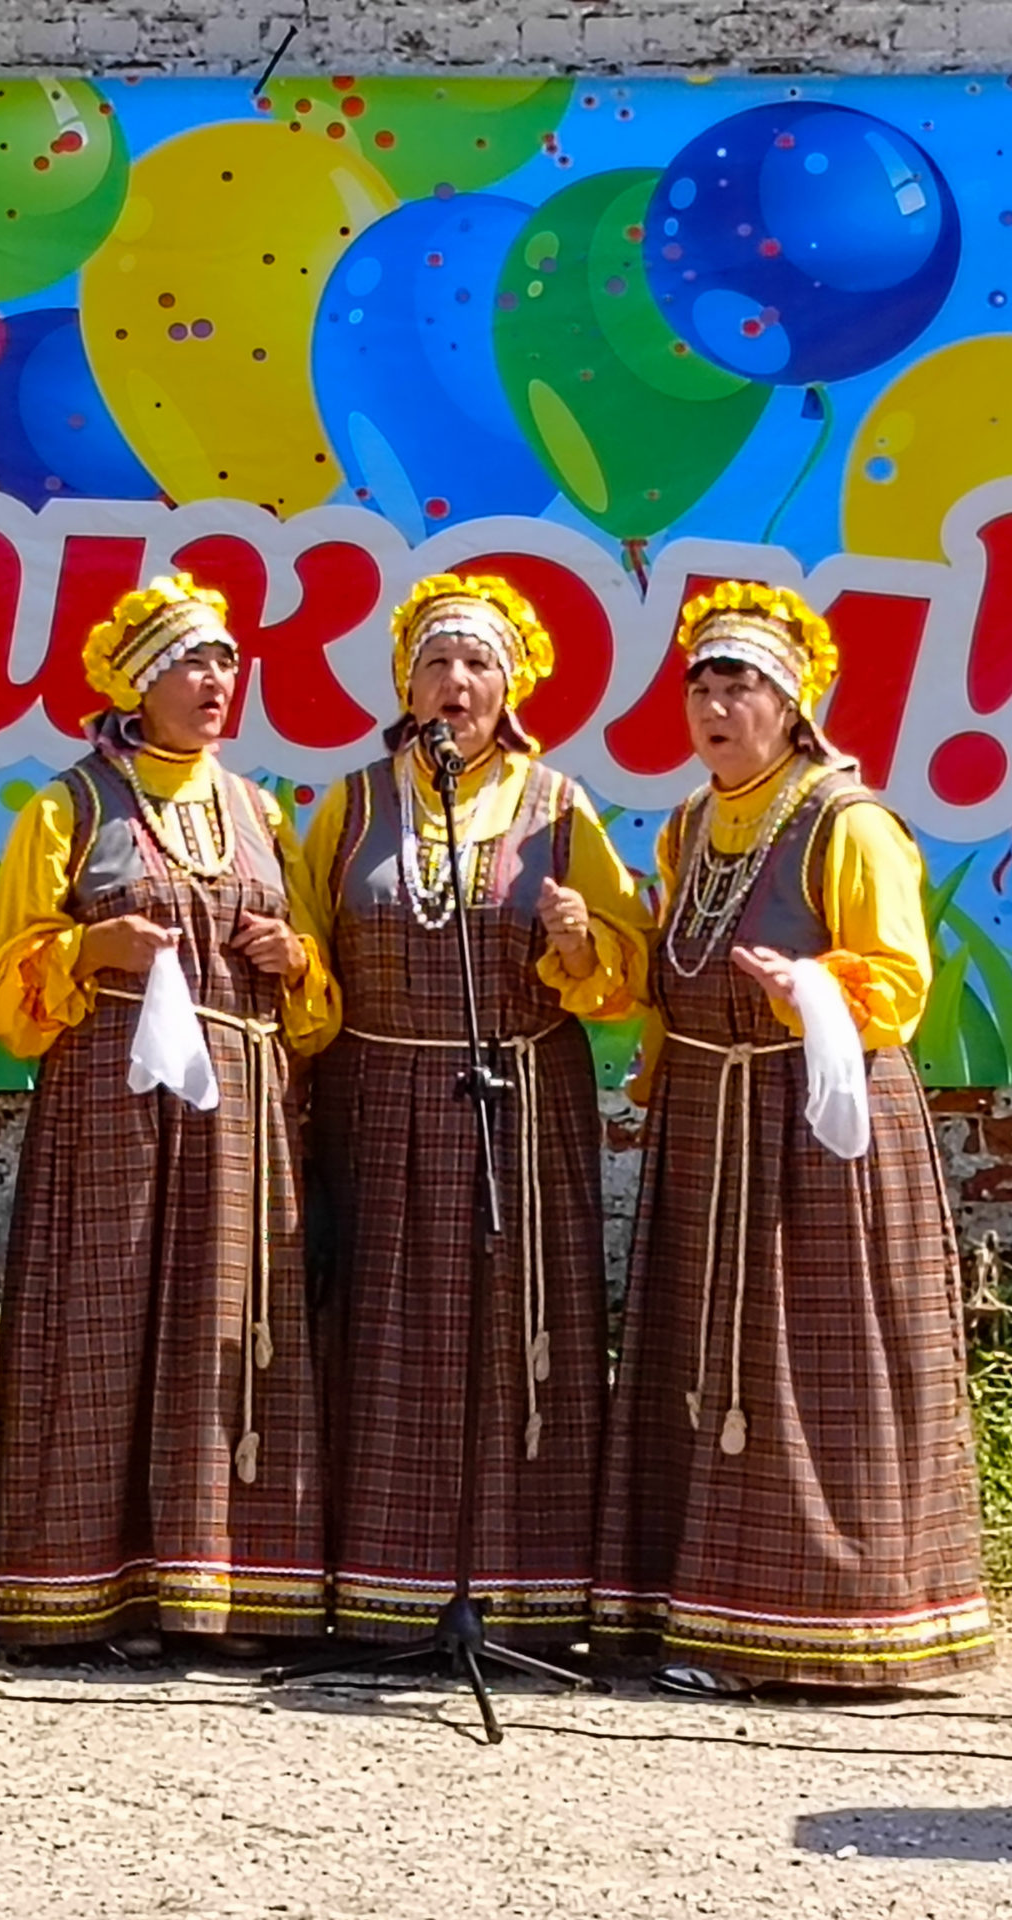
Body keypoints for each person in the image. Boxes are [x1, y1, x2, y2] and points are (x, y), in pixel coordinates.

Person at [594, 580, 993, 1693]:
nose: (719, 708)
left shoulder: (846, 821)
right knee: (700, 1358)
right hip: (708, 1127)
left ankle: (832, 1618)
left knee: (816, 1364)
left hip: (813, 1130)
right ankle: (702, 1614)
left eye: (745, 687)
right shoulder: (686, 824)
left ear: (793, 704)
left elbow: (898, 983)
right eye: (704, 687)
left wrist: (805, 987)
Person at [0, 574, 332, 1660]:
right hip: (110, 1101)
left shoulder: (262, 812)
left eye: (225, 659)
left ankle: (218, 1594)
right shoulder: (66, 808)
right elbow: (2, 994)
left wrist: (294, 958)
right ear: (136, 682)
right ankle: (81, 1590)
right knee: (103, 1321)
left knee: (224, 1333)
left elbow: (319, 1007)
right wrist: (89, 949)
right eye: (191, 659)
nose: (216, 678)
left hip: (235, 1105)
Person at [300, 573, 647, 1650]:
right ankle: (372, 1589)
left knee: (509, 1331)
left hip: (515, 1101)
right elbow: (309, 952)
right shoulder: (348, 806)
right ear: (405, 681)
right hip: (375, 1098)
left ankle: (523, 1593)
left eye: (479, 663)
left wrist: (581, 941)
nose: (457, 682)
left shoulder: (558, 807)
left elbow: (626, 971)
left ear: (511, 686)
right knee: (376, 1330)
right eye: (437, 662)